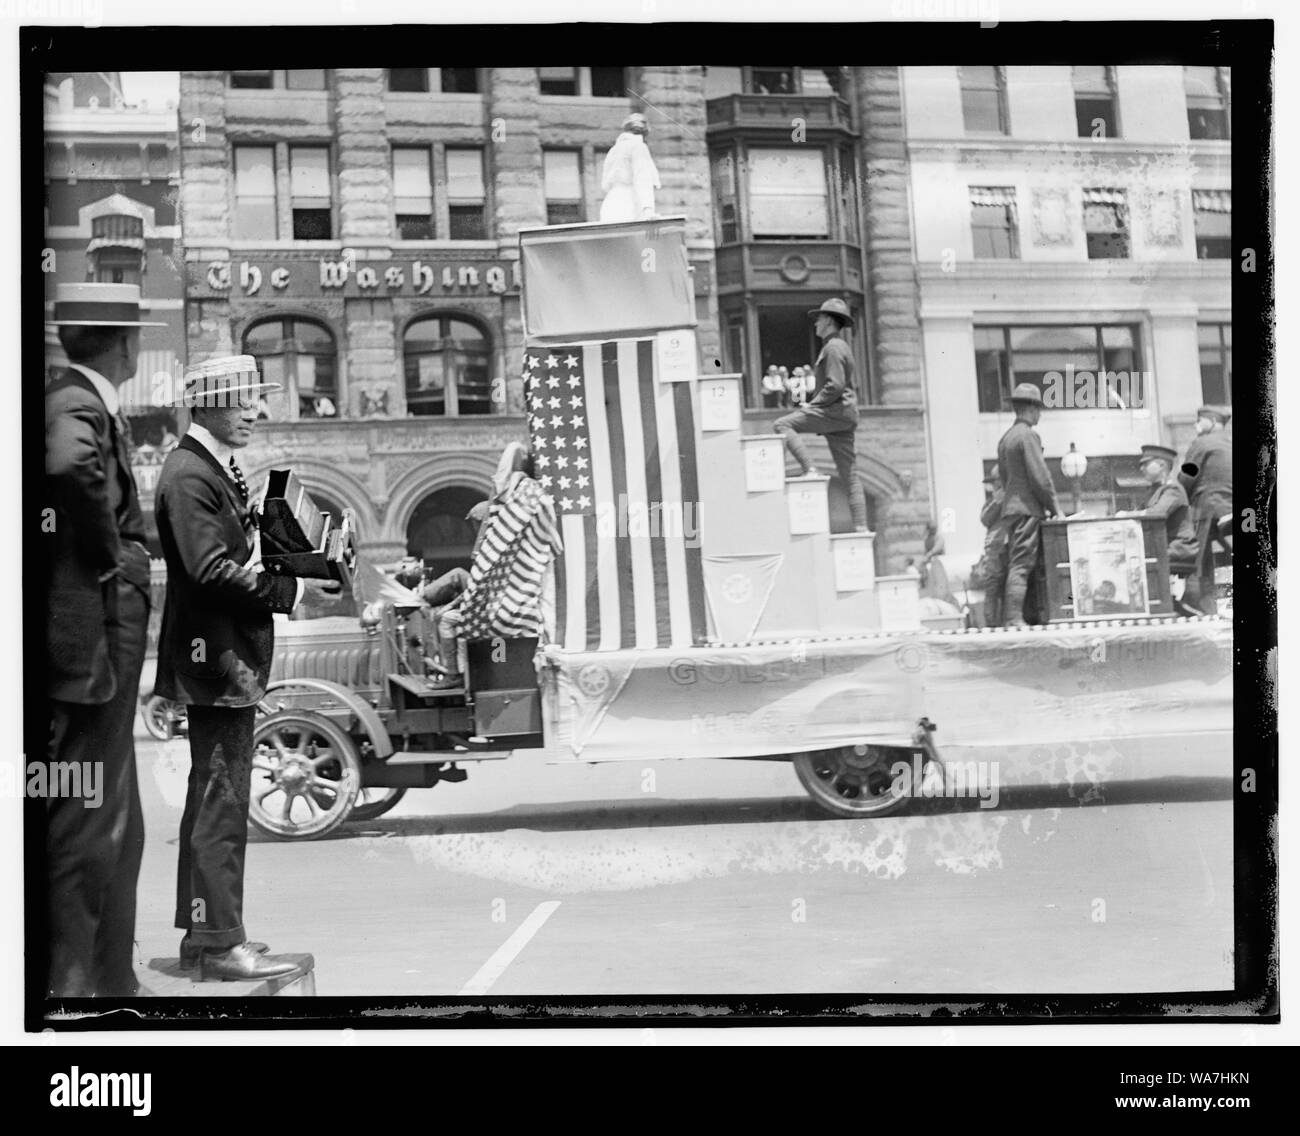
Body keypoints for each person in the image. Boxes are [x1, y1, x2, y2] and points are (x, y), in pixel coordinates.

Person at [154, 355, 338, 981]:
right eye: (244, 401)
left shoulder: (204, 469)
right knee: (220, 804)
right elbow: (208, 572)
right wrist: (291, 593)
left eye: (256, 399)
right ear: (207, 404)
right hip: (217, 666)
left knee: (215, 800)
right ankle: (218, 945)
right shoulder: (188, 476)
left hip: (220, 663)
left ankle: (207, 938)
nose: (256, 411)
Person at [42, 284, 165, 997]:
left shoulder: (74, 397)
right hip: (94, 641)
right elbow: (65, 465)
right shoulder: (78, 405)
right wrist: (114, 552)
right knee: (90, 817)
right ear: (124, 345)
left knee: (114, 817)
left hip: (94, 640)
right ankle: (75, 983)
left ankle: (108, 973)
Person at [773, 299, 869, 532]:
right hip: (844, 414)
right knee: (849, 474)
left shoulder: (833, 348)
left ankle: (810, 468)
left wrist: (812, 406)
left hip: (833, 410)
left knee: (782, 424)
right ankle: (861, 527)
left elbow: (834, 385)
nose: (816, 323)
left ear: (828, 320)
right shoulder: (839, 346)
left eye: (819, 318)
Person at [988, 383, 1062, 627]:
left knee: (1020, 562)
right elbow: (1041, 478)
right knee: (1022, 564)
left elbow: (1007, 479)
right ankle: (1014, 618)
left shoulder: (1005, 438)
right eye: (1038, 408)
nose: (1039, 413)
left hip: (1012, 509)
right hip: (1027, 509)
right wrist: (1055, 508)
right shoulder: (1028, 436)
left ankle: (1023, 616)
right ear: (1029, 409)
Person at [1119, 443, 1203, 615]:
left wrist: (1125, 515)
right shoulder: (1154, 490)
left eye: (1146, 463)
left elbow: (1156, 514)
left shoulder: (1173, 489)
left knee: (1129, 559)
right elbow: (1143, 512)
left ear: (1162, 465)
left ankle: (1155, 605)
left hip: (1178, 547)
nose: (1141, 468)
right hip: (1164, 546)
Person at [1178, 405, 1232, 615]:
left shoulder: (1202, 443)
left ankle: (1199, 604)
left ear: (1210, 421)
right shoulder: (1232, 441)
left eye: (1199, 421)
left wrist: (1178, 491)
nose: (1196, 425)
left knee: (1199, 559)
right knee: (1227, 559)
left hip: (1210, 510)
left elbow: (1188, 474)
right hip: (1237, 512)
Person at [599, 113, 660, 223]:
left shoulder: (613, 150)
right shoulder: (638, 147)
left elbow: (605, 185)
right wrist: (648, 210)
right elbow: (642, 178)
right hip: (629, 203)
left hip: (610, 204)